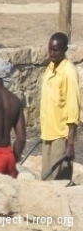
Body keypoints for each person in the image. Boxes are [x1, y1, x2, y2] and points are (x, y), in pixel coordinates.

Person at [39, 32, 80, 180]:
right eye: (50, 49)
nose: (52, 53)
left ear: (65, 50)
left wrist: (70, 144)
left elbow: (73, 110)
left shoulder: (69, 72)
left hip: (61, 137)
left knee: (57, 181)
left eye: (56, 50)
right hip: (48, 133)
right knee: (45, 179)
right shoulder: (50, 68)